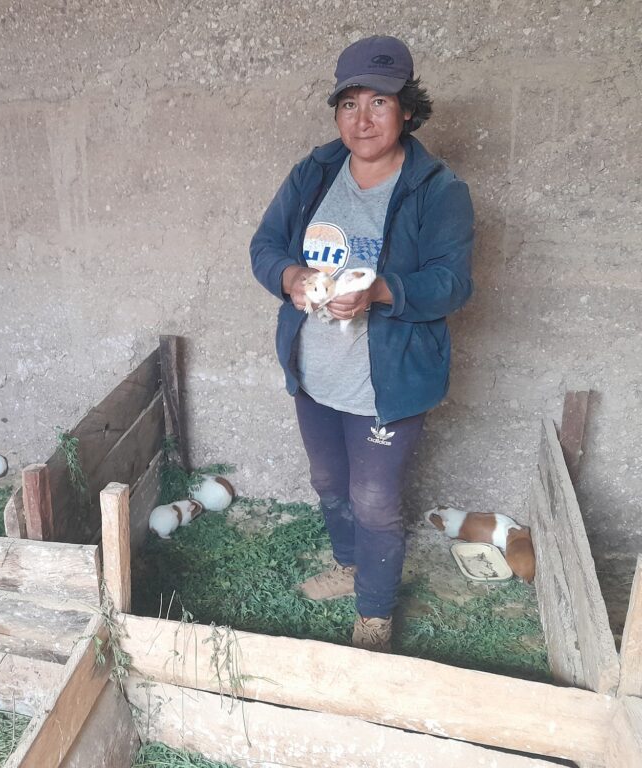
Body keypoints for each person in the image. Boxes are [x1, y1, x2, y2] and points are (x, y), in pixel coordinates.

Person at [249, 35, 474, 652]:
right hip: (314, 371)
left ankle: (374, 612)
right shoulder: (315, 173)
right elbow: (265, 246)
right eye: (349, 104)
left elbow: (453, 283)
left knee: (374, 499)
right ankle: (350, 566)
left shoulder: (437, 189)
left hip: (387, 380)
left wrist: (379, 291)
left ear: (408, 110)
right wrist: (292, 277)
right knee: (328, 480)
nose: (362, 119)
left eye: (380, 102)